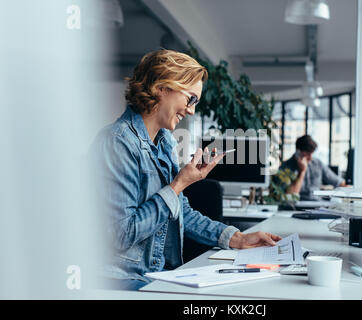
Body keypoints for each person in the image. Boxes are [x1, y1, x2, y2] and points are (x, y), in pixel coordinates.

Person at [90, 50, 281, 291]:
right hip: (124, 279)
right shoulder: (117, 142)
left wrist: (237, 238)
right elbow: (120, 234)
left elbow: (180, 212)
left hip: (160, 274)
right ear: (162, 87)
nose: (191, 110)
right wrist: (179, 184)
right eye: (190, 99)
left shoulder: (165, 141)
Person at [280, 135, 346, 201]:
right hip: (295, 206)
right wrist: (302, 172)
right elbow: (290, 195)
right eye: (307, 154)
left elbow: (339, 182)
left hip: (317, 204)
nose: (310, 158)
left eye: (311, 154)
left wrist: (350, 190)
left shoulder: (317, 163)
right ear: (298, 152)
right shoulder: (285, 167)